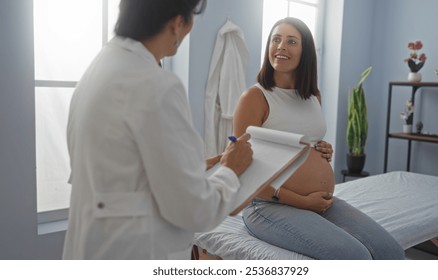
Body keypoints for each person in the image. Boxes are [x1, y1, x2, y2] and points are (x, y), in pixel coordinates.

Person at [63, 0, 253, 260]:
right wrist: (231, 169)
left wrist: (195, 167)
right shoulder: (156, 85)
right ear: (177, 23)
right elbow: (194, 210)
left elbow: (124, 167)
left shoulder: (98, 69)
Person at [233, 17, 404, 260]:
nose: (281, 46)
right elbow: (241, 172)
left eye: (291, 41)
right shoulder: (255, 97)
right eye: (276, 39)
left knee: (391, 252)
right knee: (354, 256)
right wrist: (302, 201)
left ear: (306, 52)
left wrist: (320, 151)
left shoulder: (313, 96)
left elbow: (302, 141)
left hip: (318, 201)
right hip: (267, 205)